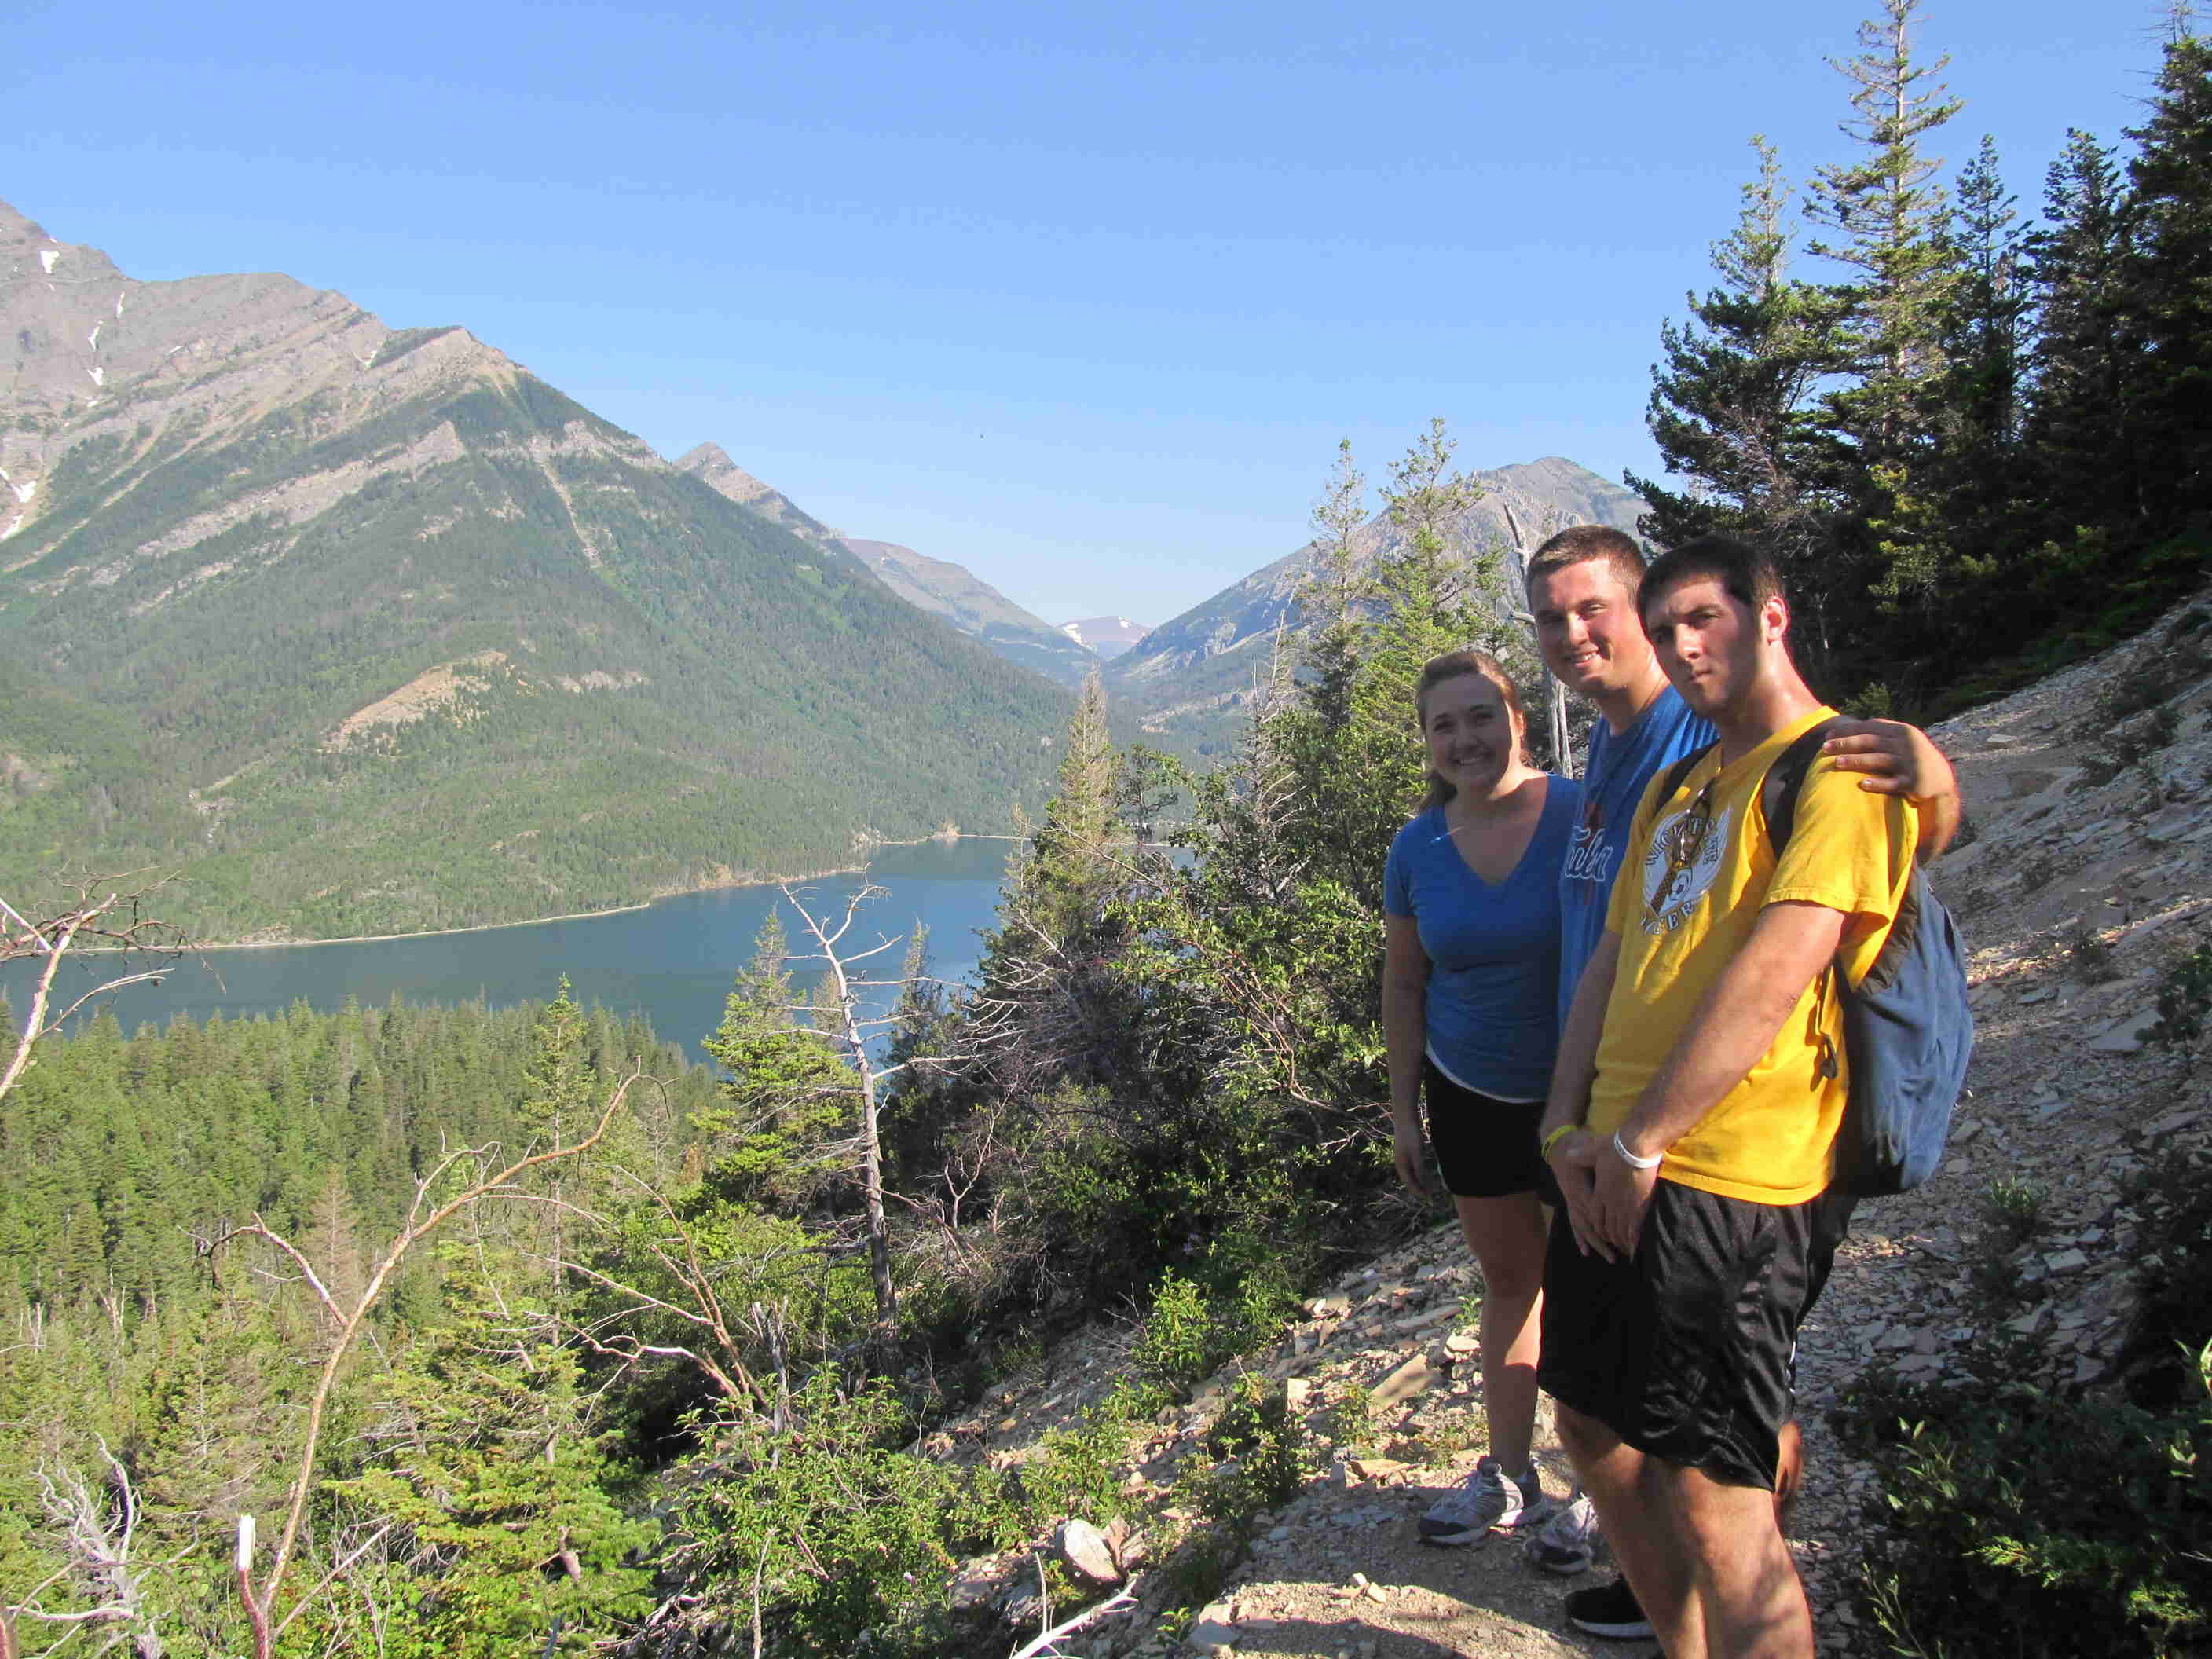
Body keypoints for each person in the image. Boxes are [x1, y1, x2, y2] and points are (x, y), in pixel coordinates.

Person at [1513, 526, 1957, 1638]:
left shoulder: (1839, 766)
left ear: (1771, 616)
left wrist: (1639, 1141)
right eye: (1667, 629)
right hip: (1612, 1164)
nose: (1683, 646)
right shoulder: (1677, 788)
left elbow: (1783, 962)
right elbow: (1612, 963)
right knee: (1596, 1435)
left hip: (1734, 1179)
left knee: (1717, 1498)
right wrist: (1567, 1127)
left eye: (1701, 619)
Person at [1383, 647, 1582, 1546]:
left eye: (1479, 715)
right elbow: (1403, 987)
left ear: (1517, 717)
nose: (1463, 738)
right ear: (1425, 742)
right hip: (1468, 1094)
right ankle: (1508, 1476)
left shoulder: (1583, 814)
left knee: (1602, 1295)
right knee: (1511, 1284)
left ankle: (1595, 1492)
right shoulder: (1416, 847)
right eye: (1442, 724)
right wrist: (1401, 1109)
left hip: (1587, 1098)